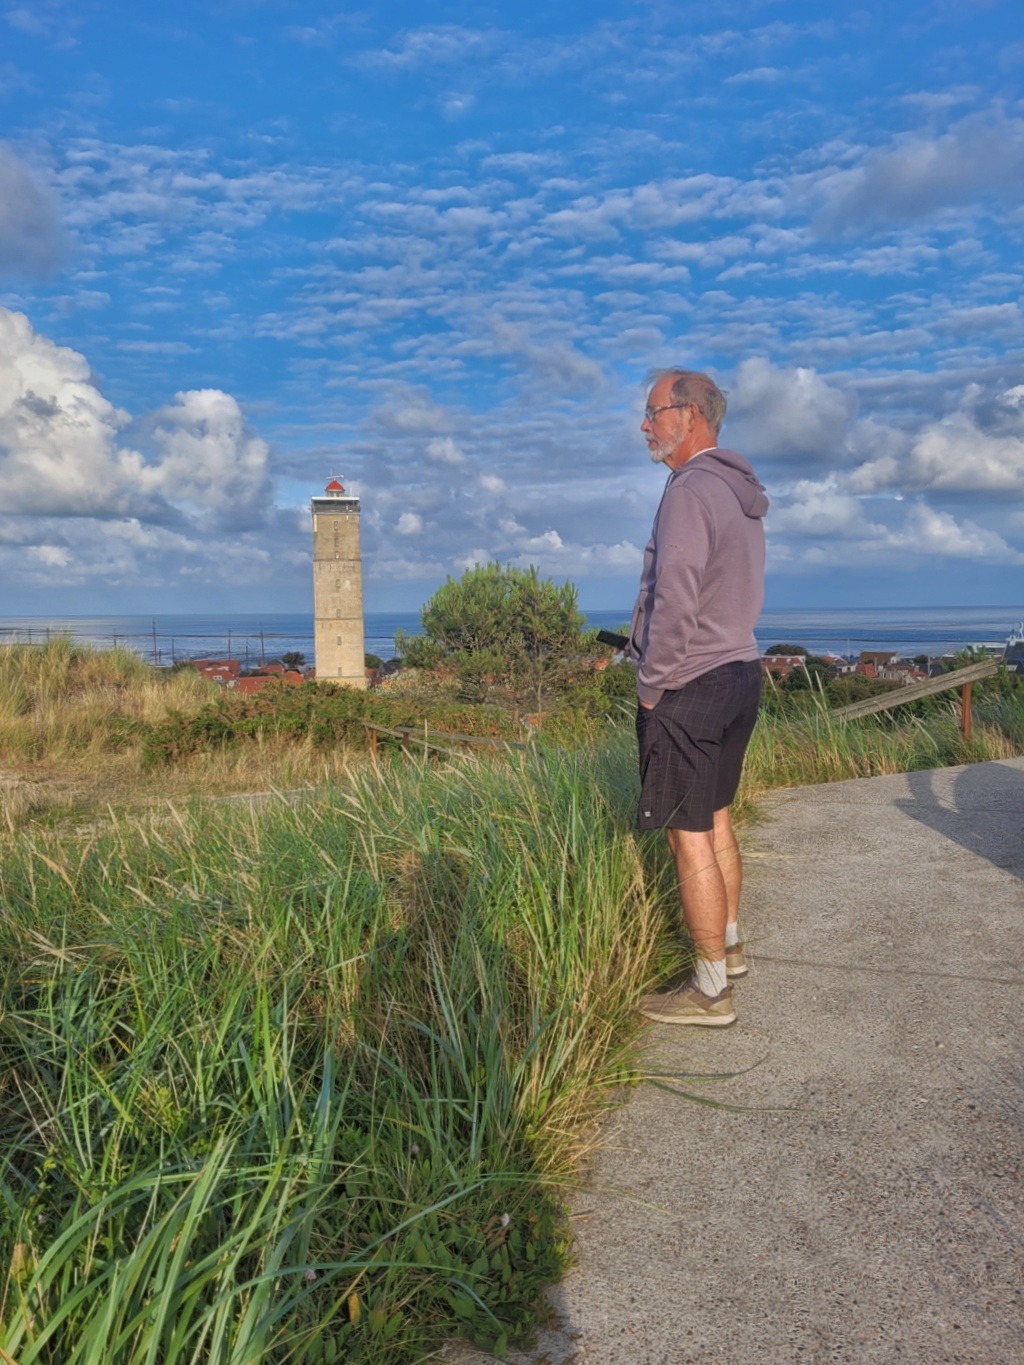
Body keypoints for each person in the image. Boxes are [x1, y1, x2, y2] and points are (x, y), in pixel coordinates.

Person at [629, 368, 768, 1026]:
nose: (644, 425)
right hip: (740, 670)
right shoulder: (738, 490)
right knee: (715, 818)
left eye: (653, 411)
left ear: (689, 415)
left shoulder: (689, 490)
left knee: (689, 838)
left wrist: (652, 687)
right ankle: (729, 949)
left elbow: (676, 599)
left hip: (691, 683)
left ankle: (710, 990)